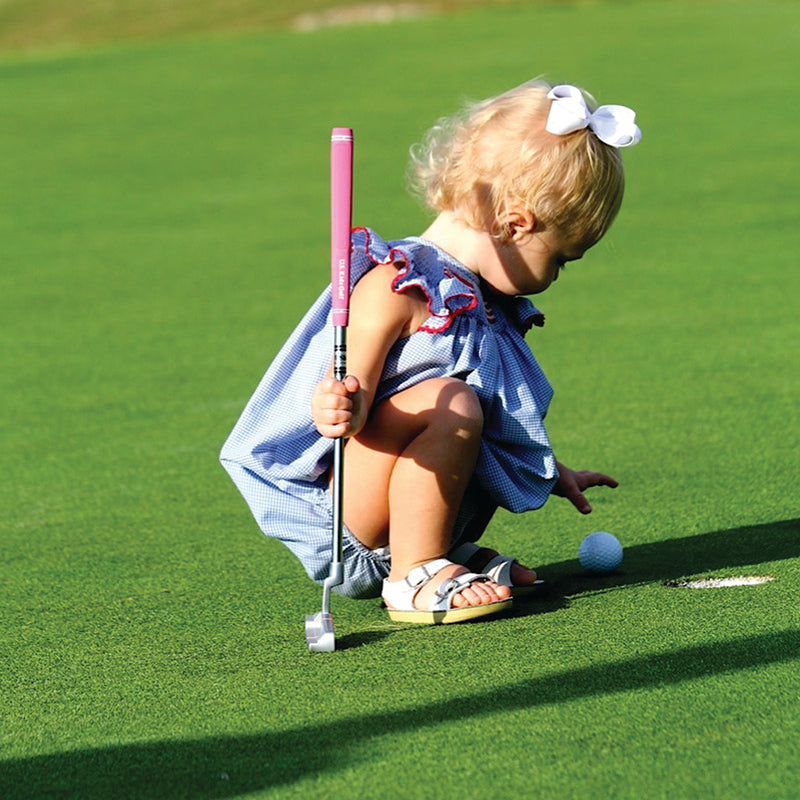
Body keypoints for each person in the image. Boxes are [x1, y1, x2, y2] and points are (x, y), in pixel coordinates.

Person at [220, 80, 641, 624]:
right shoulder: (398, 286)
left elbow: (490, 418)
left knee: (467, 403)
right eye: (560, 259)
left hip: (388, 509)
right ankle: (415, 573)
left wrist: (551, 470)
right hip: (350, 521)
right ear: (516, 224)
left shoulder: (476, 300)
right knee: (452, 403)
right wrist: (340, 404)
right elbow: (353, 394)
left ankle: (438, 548)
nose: (555, 278)